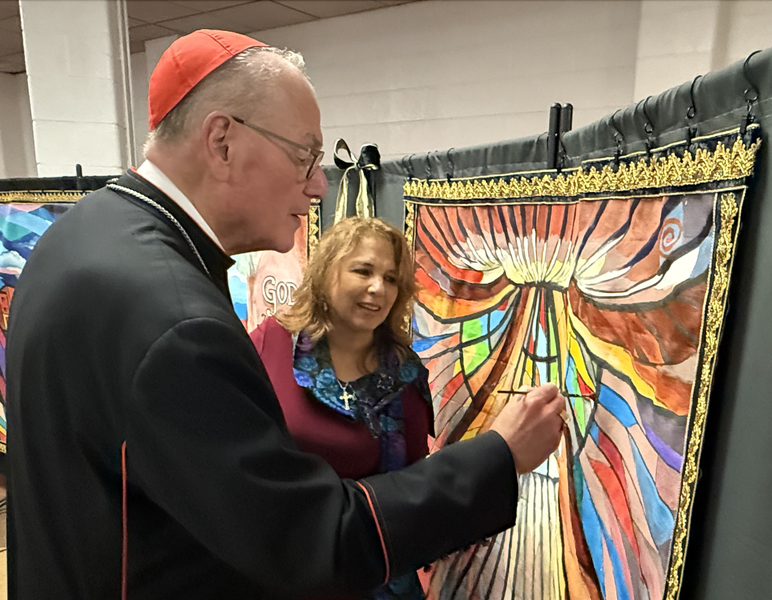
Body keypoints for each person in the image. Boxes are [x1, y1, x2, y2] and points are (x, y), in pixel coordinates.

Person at [6, 29, 566, 600]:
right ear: (222, 142)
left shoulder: (81, 236)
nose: (319, 185)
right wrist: (499, 455)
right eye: (304, 156)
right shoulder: (178, 324)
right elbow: (313, 541)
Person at [251, 217, 433, 599]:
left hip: (374, 577)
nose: (377, 288)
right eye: (363, 271)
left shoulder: (406, 373)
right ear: (326, 270)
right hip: (279, 571)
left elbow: (417, 482)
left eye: (391, 278)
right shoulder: (270, 344)